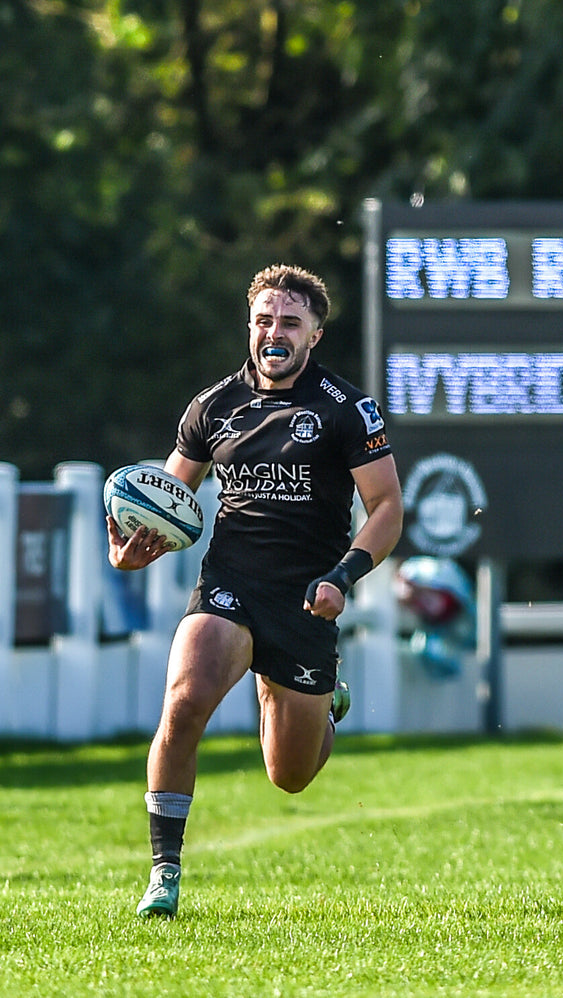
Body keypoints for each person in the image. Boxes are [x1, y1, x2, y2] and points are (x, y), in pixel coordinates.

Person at [107, 264, 403, 918]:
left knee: (289, 775)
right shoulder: (212, 407)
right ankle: (164, 872)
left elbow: (385, 507)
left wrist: (343, 576)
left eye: (290, 322)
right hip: (229, 586)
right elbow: (168, 498)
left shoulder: (345, 409)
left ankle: (326, 708)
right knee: (183, 704)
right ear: (250, 327)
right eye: (264, 320)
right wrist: (130, 549)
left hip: (307, 598)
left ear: (314, 335)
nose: (274, 332)